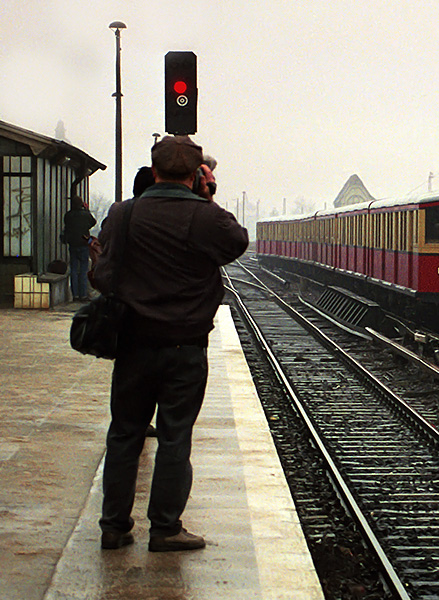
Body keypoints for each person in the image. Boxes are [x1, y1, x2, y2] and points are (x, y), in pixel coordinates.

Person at [93, 135, 248, 552]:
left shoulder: (124, 214)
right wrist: (209, 197)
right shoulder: (208, 219)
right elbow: (238, 243)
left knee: (124, 433)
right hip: (185, 348)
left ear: (154, 169)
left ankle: (113, 526)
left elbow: (101, 277)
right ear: (197, 175)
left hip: (133, 345)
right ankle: (164, 528)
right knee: (175, 437)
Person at [62, 198, 97, 302]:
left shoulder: (68, 215)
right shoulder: (85, 215)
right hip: (83, 243)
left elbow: (66, 226)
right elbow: (93, 222)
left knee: (73, 269)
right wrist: (86, 210)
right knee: (83, 270)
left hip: (72, 244)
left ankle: (75, 295)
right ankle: (83, 295)